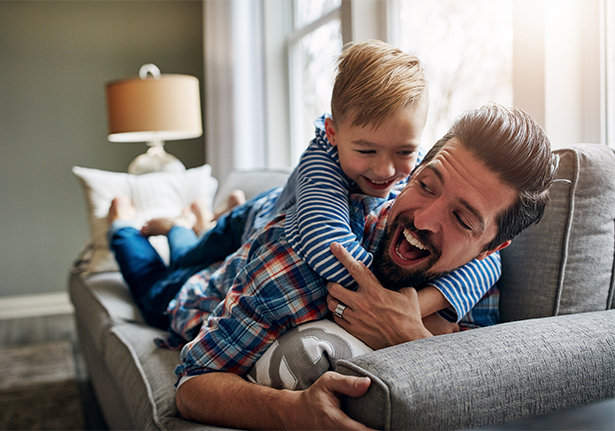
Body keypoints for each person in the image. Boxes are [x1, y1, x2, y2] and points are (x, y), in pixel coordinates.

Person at [174, 104, 557, 429]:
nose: (423, 219)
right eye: (426, 185)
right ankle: (172, 226)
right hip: (202, 287)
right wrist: (291, 412)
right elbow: (192, 385)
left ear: (492, 248)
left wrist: (411, 338)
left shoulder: (480, 288)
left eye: (462, 219)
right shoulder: (304, 254)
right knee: (174, 260)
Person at [114, 40, 500, 341]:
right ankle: (133, 227)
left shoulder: (424, 178)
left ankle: (193, 219)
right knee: (181, 266)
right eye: (366, 151)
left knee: (199, 266)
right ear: (332, 134)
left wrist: (419, 307)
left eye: (404, 152)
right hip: (253, 221)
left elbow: (489, 261)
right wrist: (390, 307)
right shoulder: (322, 160)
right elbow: (325, 245)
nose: (386, 170)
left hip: (252, 243)